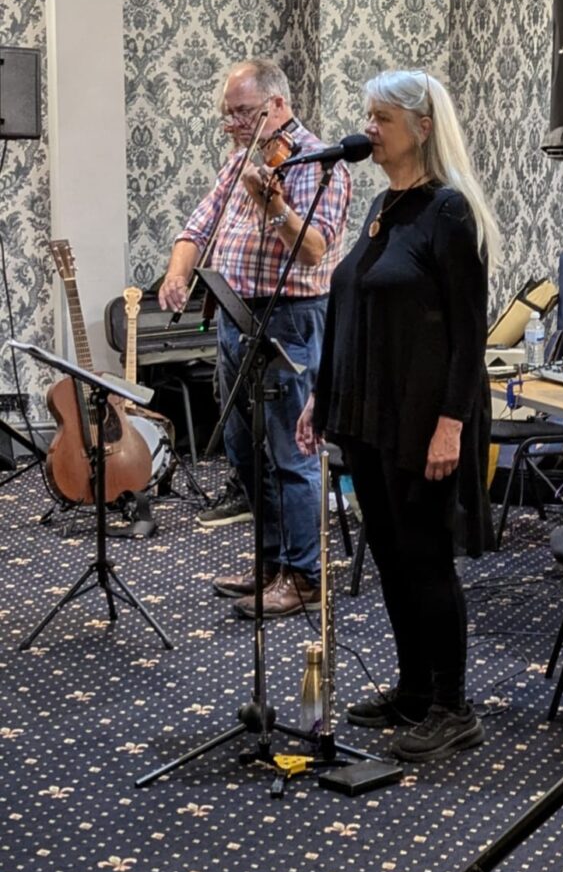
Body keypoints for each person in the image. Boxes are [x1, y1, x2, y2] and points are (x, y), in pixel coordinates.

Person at [296, 69, 498, 761]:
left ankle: (452, 706)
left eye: (381, 119)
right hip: (368, 416)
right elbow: (350, 307)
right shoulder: (384, 206)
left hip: (422, 419)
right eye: (369, 116)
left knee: (425, 558)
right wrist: (323, 395)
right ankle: (414, 689)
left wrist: (452, 423)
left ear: (422, 127)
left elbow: (469, 335)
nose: (368, 130)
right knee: (388, 555)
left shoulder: (449, 212)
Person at [159, 58, 350, 618]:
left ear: (278, 104)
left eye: (243, 113)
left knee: (291, 451)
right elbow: (197, 226)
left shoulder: (318, 164)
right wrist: (177, 274)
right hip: (234, 315)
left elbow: (313, 249)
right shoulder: (240, 159)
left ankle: (306, 575)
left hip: (290, 317)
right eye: (228, 114)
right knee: (243, 449)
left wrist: (273, 205)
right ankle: (271, 564)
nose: (234, 125)